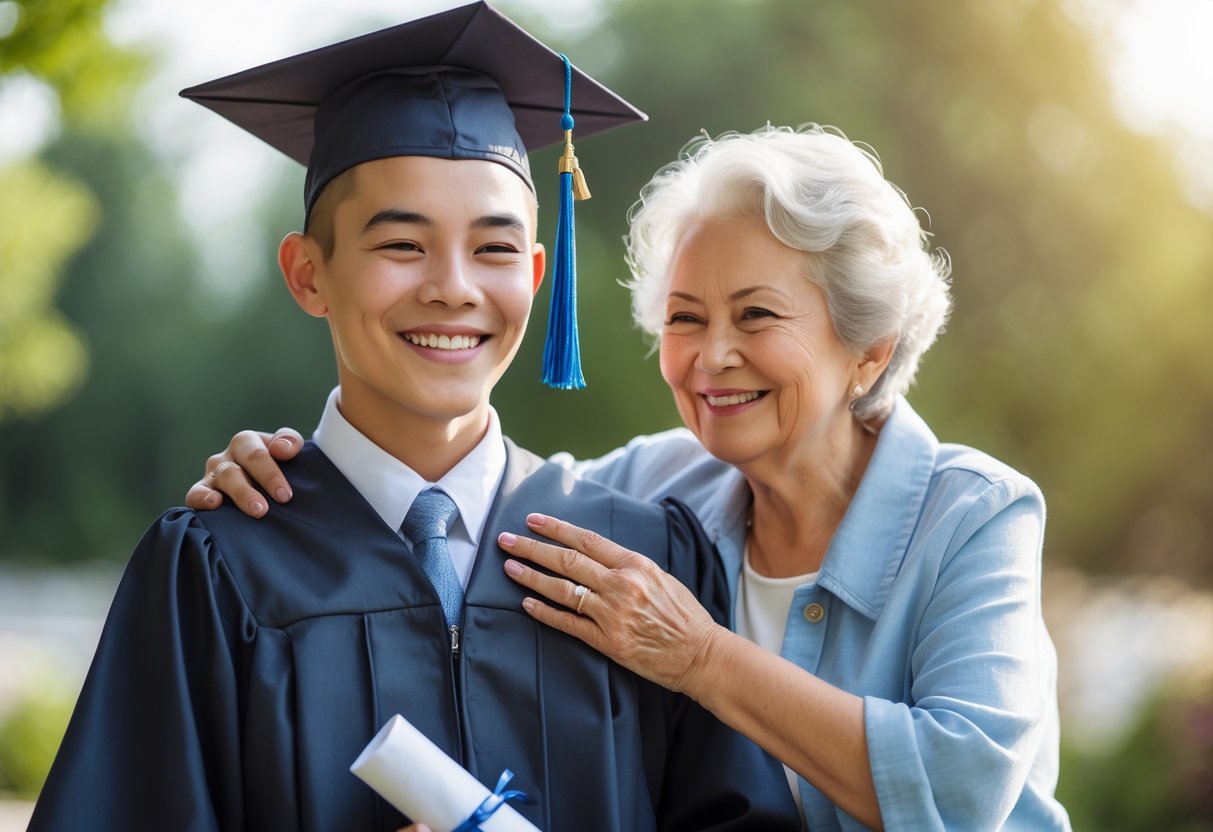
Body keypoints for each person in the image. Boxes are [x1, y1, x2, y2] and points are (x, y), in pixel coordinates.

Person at [29, 5, 801, 830]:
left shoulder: (644, 561)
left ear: (537, 273)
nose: (453, 287)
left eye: (495, 248)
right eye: (402, 245)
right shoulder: (219, 570)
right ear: (308, 273)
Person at [188, 125, 1071, 830]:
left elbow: (959, 794)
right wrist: (299, 473)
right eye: (685, 318)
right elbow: (459, 492)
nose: (712, 356)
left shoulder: (971, 514)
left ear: (868, 351)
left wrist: (700, 656)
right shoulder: (657, 495)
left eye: (756, 314)